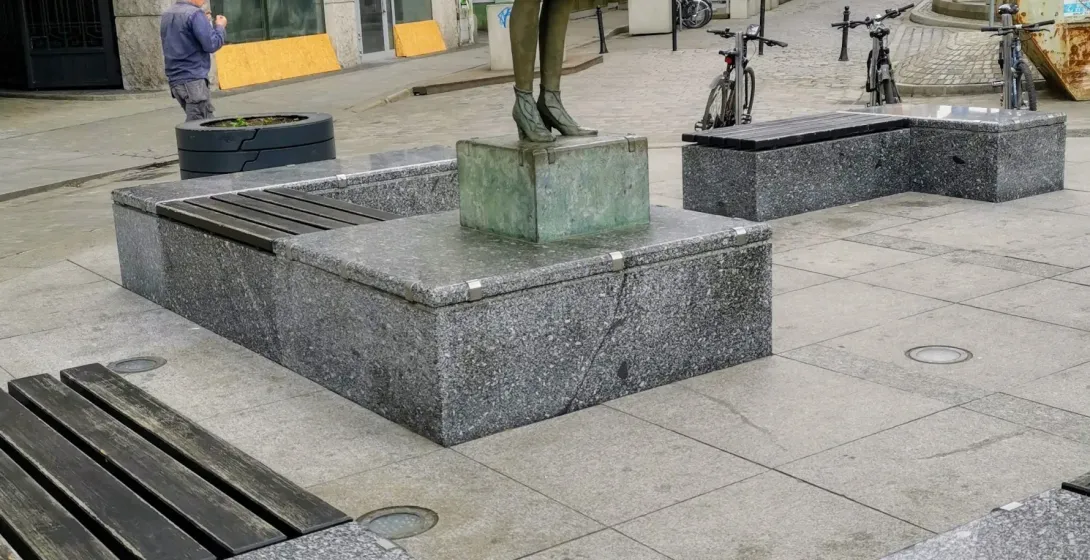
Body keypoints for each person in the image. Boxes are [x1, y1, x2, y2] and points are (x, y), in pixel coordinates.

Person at [161, 0, 227, 121]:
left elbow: (183, 37)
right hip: (193, 78)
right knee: (201, 124)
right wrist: (220, 27)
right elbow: (212, 44)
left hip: (176, 79)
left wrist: (203, 22)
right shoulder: (195, 14)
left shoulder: (168, 13)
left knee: (201, 121)